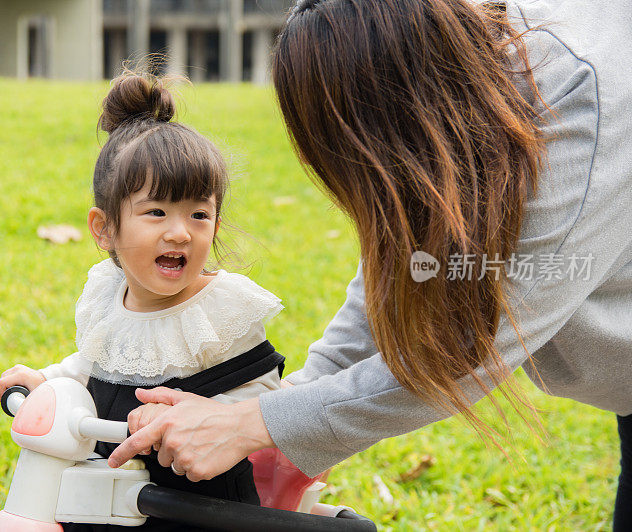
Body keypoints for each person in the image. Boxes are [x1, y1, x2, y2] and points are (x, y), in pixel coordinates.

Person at [107, 0, 632, 528]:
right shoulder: (459, 77)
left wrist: (254, 424)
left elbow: (468, 348)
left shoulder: (584, 103)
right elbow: (412, 251)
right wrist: (295, 409)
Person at [0, 73, 287, 530]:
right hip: (103, 495)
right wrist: (47, 380)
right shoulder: (108, 297)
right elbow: (97, 364)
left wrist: (190, 417)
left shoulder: (218, 313)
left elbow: (264, 399)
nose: (180, 231)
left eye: (199, 214)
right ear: (104, 228)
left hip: (195, 507)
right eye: (156, 212)